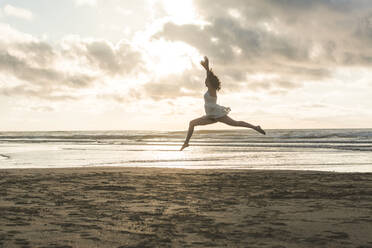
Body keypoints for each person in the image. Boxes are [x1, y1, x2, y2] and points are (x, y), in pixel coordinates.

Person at [180, 56, 266, 151]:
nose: (205, 81)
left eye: (207, 81)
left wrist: (207, 68)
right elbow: (208, 78)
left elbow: (208, 77)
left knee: (236, 123)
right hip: (209, 116)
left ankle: (255, 127)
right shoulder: (209, 90)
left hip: (217, 114)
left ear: (210, 83)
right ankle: (186, 143)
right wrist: (206, 68)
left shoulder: (212, 90)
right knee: (192, 123)